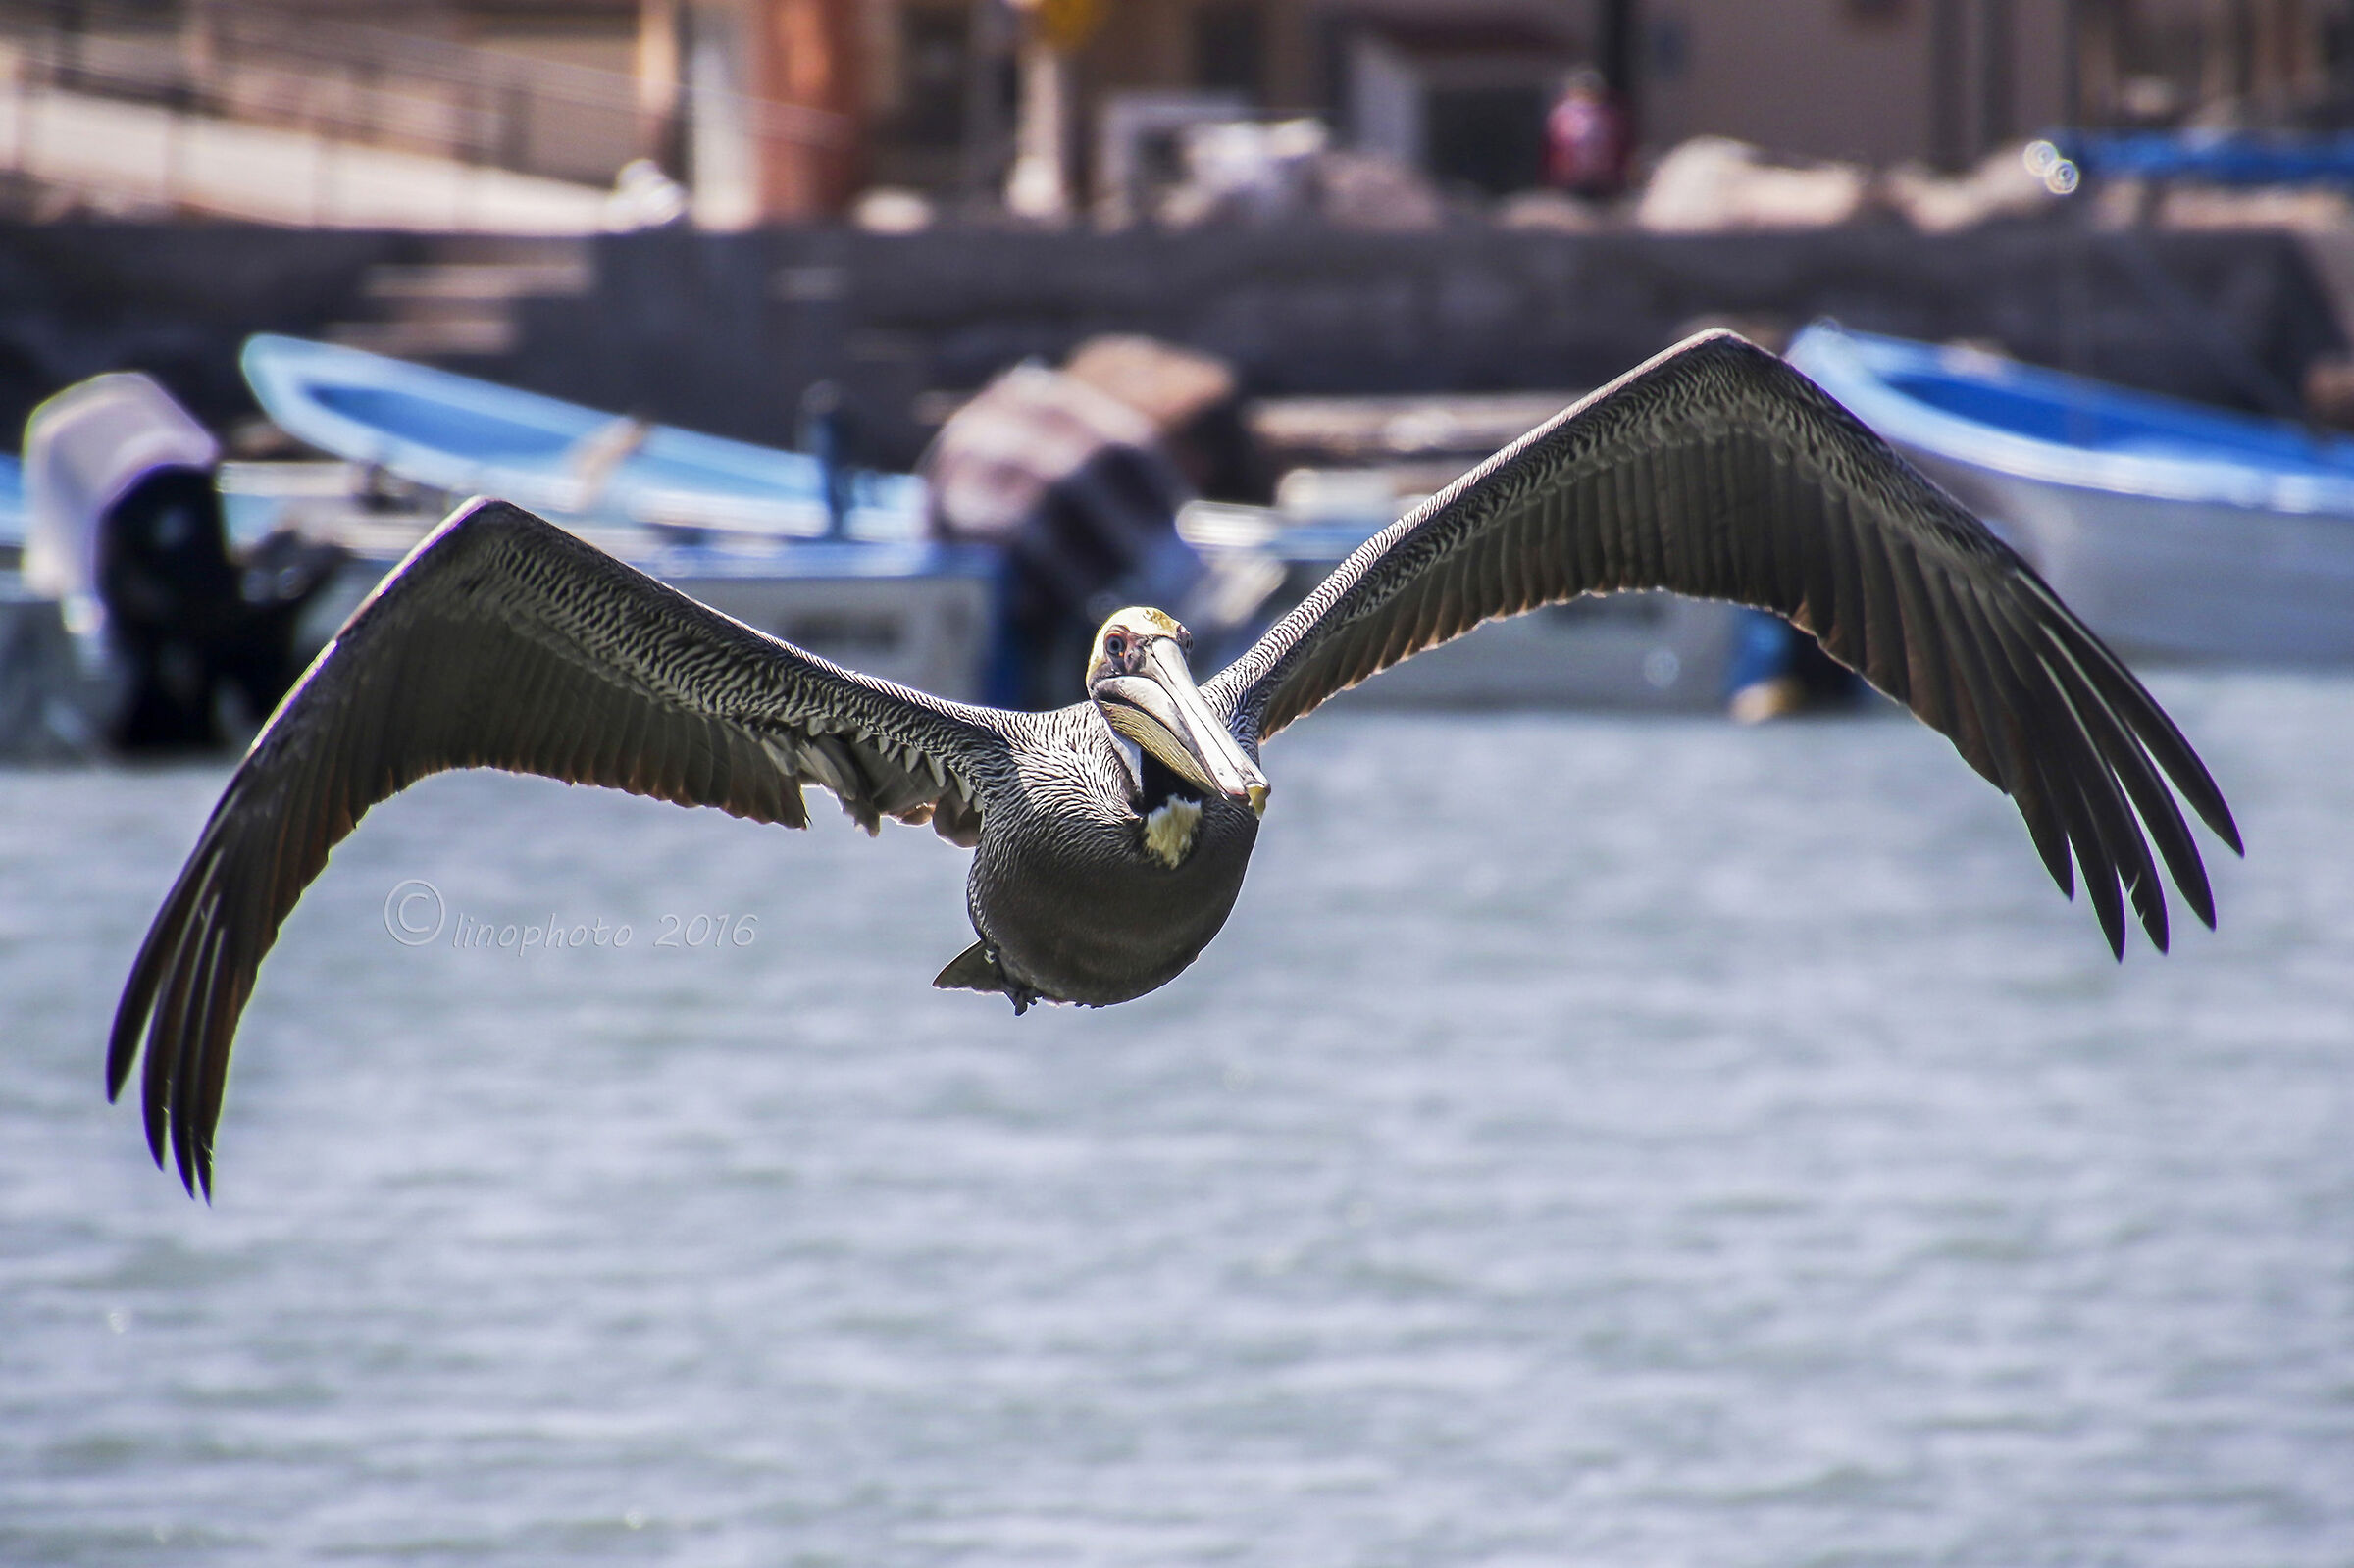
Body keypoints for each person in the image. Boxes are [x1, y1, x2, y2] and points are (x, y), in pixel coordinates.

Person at [1546, 68, 1630, 199]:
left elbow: (1617, 146)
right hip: (1571, 178)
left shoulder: (1606, 114)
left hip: (1601, 178)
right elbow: (1555, 148)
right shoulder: (1563, 114)